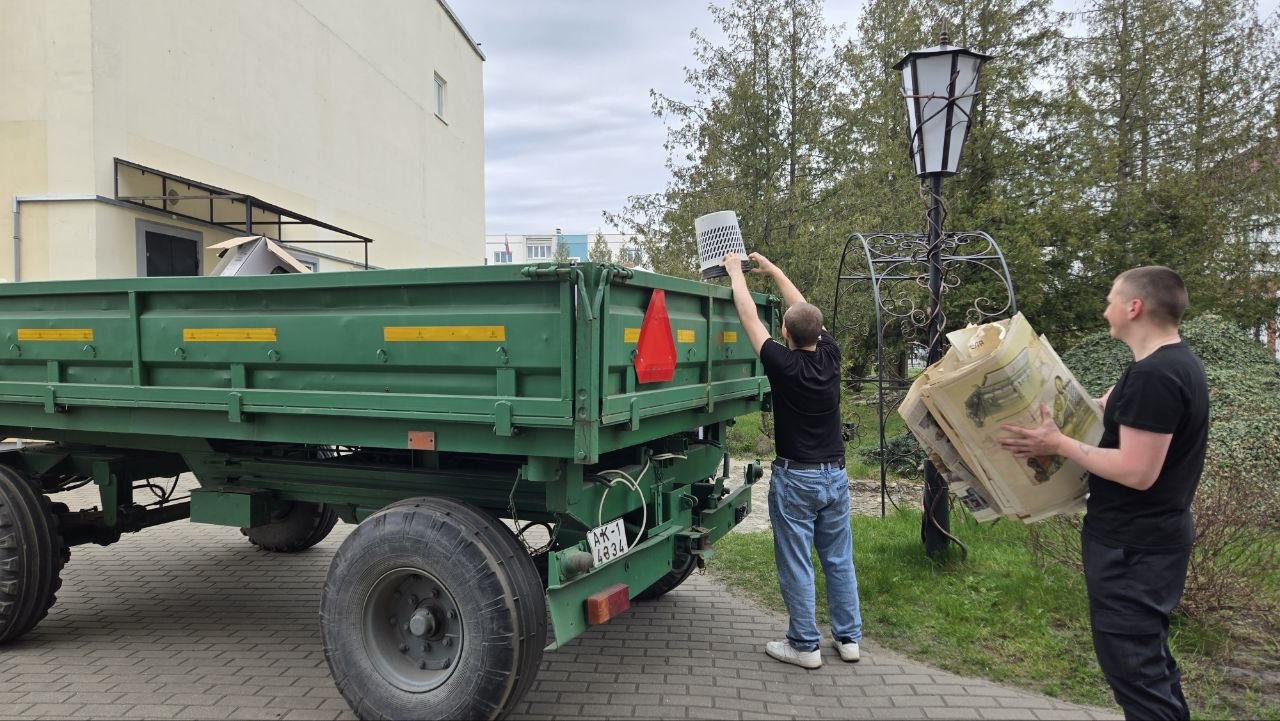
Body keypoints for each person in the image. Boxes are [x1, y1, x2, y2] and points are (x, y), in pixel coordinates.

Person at [998, 266, 1209, 720]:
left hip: (1133, 551)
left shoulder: (1155, 376)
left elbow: (1137, 471)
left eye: (1111, 299)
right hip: (1147, 541)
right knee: (1149, 669)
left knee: (1137, 676)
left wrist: (1058, 445)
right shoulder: (1170, 366)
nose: (1104, 309)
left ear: (1134, 307)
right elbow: (1129, 424)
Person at [722, 250, 862, 669]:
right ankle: (848, 639)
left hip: (796, 479)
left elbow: (748, 316)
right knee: (838, 559)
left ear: (784, 331)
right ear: (819, 332)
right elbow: (803, 310)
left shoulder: (783, 364)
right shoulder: (831, 355)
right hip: (835, 476)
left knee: (797, 562)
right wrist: (775, 271)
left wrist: (735, 272)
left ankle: (804, 646)